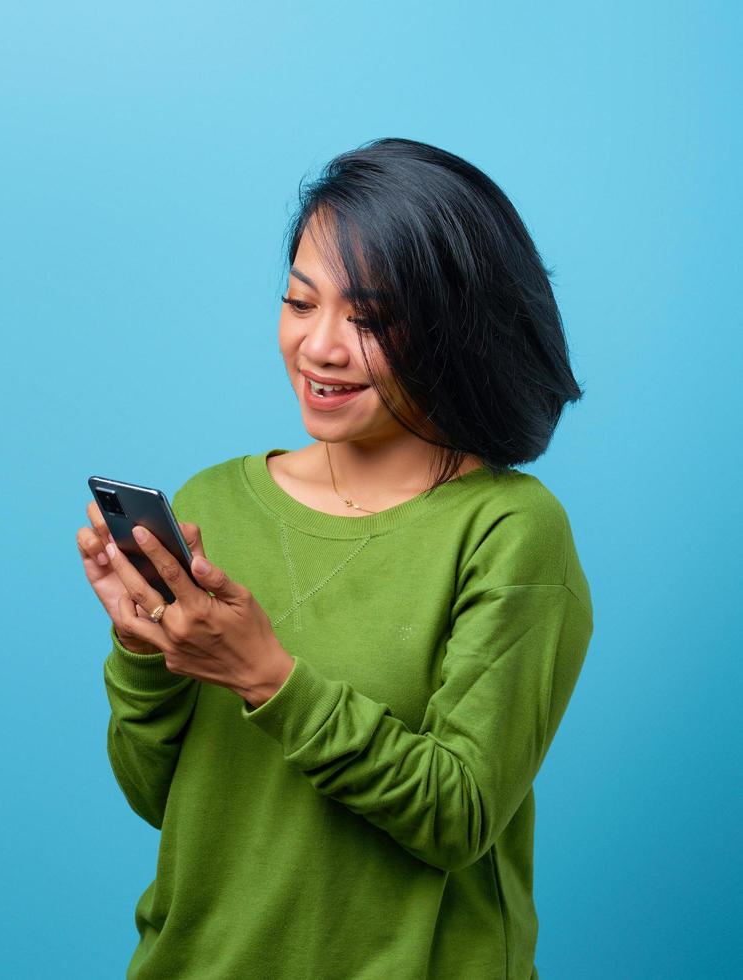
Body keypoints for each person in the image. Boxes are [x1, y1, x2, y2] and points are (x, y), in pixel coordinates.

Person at [75, 137, 593, 980]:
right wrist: (142, 656)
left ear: (455, 327)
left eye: (370, 318)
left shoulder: (509, 531)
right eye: (298, 302)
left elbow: (459, 815)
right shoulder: (212, 504)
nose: (319, 347)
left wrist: (269, 678)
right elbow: (162, 801)